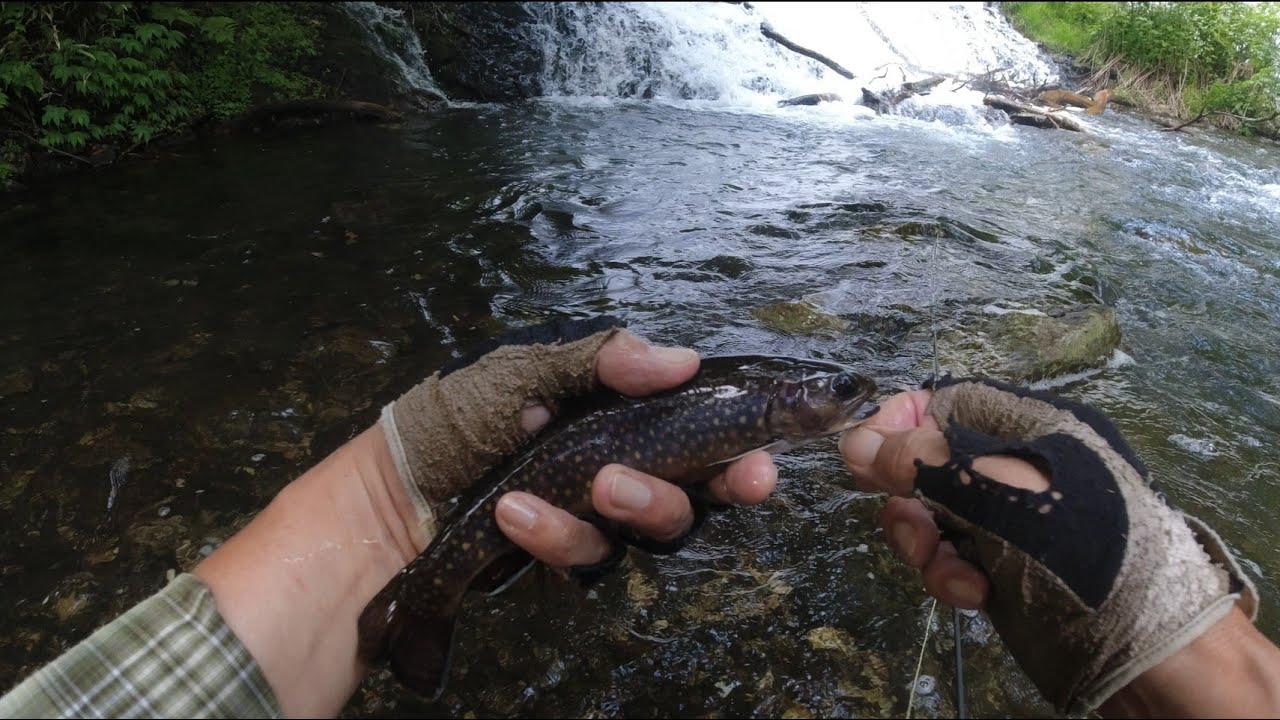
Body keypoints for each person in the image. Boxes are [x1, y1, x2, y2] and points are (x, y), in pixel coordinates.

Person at [0, 317, 1276, 718]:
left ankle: (426, 589)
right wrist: (1194, 643)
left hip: (493, 500)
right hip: (518, 493)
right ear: (775, 401)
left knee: (624, 507)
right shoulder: (743, 411)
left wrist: (395, 477)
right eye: (819, 391)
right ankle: (425, 597)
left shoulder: (755, 422)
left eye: (831, 394)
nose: (830, 403)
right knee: (608, 508)